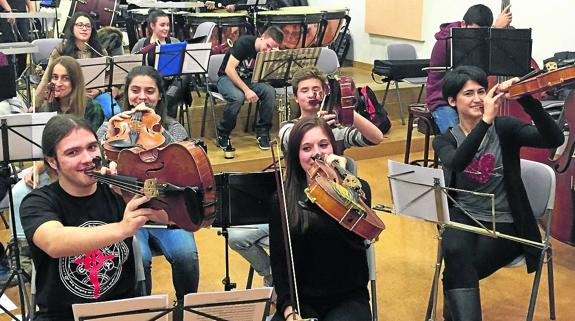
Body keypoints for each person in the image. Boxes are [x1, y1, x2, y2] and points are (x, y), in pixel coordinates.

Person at [228, 66, 383, 288]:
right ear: (295, 97)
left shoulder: (335, 130)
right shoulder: (287, 129)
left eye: (317, 90)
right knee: (236, 237)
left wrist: (347, 110)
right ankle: (274, 274)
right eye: (305, 90)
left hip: (335, 209)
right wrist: (315, 126)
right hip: (298, 206)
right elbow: (298, 142)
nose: (312, 95)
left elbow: (376, 137)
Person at [432, 65, 564, 321]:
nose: (478, 98)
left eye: (481, 91)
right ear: (451, 101)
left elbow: (554, 139)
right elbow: (458, 161)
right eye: (468, 93)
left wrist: (526, 98)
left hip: (507, 223)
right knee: (457, 253)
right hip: (464, 218)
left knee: (457, 269)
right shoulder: (445, 140)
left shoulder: (504, 128)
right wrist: (484, 122)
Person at [20, 114, 167, 321]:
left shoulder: (116, 191)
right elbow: (54, 242)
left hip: (121, 312)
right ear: (52, 162)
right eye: (73, 152)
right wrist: (123, 228)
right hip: (62, 316)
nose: (88, 159)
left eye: (91, 147)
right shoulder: (37, 202)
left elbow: (169, 217)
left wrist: (134, 185)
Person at [96, 66, 199, 316]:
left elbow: (184, 167)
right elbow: (97, 162)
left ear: (160, 96)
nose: (142, 97)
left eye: (149, 91)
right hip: (127, 213)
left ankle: (185, 312)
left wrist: (155, 126)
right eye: (135, 91)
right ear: (126, 95)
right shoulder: (107, 128)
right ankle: (148, 313)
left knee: (187, 257)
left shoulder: (173, 128)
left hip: (166, 208)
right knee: (138, 260)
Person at [269, 117, 372, 321]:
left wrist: (343, 184)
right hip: (302, 301)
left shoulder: (359, 190)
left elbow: (356, 243)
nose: (317, 153)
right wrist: (289, 310)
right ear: (296, 156)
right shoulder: (281, 199)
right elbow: (280, 266)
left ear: (333, 149)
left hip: (347, 297)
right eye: (306, 148)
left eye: (323, 145)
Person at [426, 4, 513, 134]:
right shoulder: (446, 41)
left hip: (470, 97)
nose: (476, 37)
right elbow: (466, 60)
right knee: (458, 139)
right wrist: (496, 29)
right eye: (473, 31)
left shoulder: (478, 42)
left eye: (481, 34)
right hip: (443, 99)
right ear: (463, 24)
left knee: (491, 134)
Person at [216, 26, 284, 150]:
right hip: (227, 77)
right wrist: (247, 90)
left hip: (249, 79)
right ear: (262, 37)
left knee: (269, 91)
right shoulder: (244, 43)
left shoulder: (268, 52)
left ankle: (263, 132)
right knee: (237, 97)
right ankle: (223, 133)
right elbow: (229, 69)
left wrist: (275, 59)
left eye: (272, 48)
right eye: (267, 46)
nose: (268, 50)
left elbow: (267, 77)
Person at [34, 12, 109, 108]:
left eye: (88, 26)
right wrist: (35, 105)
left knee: (113, 112)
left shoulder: (100, 51)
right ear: (72, 28)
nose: (84, 28)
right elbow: (46, 78)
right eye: (80, 25)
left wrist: (99, 90)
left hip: (95, 95)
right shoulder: (61, 50)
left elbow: (108, 77)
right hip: (68, 95)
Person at [131, 8, 194, 120]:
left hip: (172, 85)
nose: (166, 28)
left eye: (168, 25)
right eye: (162, 25)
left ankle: (166, 106)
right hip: (150, 85)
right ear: (152, 26)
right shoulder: (142, 44)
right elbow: (132, 69)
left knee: (184, 77)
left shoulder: (175, 42)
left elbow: (184, 66)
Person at [0, 0, 34, 75]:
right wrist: (8, 10)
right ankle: (8, 76)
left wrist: (30, 7)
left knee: (24, 44)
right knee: (9, 45)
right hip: (6, 13)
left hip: (22, 13)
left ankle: (21, 75)